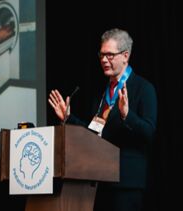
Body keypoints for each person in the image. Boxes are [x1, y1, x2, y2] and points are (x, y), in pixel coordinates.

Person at [48, 28, 157, 211]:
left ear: (125, 56)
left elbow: (149, 133)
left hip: (126, 184)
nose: (104, 60)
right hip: (99, 181)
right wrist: (69, 118)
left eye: (110, 55)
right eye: (101, 54)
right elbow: (95, 134)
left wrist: (126, 115)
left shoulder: (143, 89)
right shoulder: (101, 92)